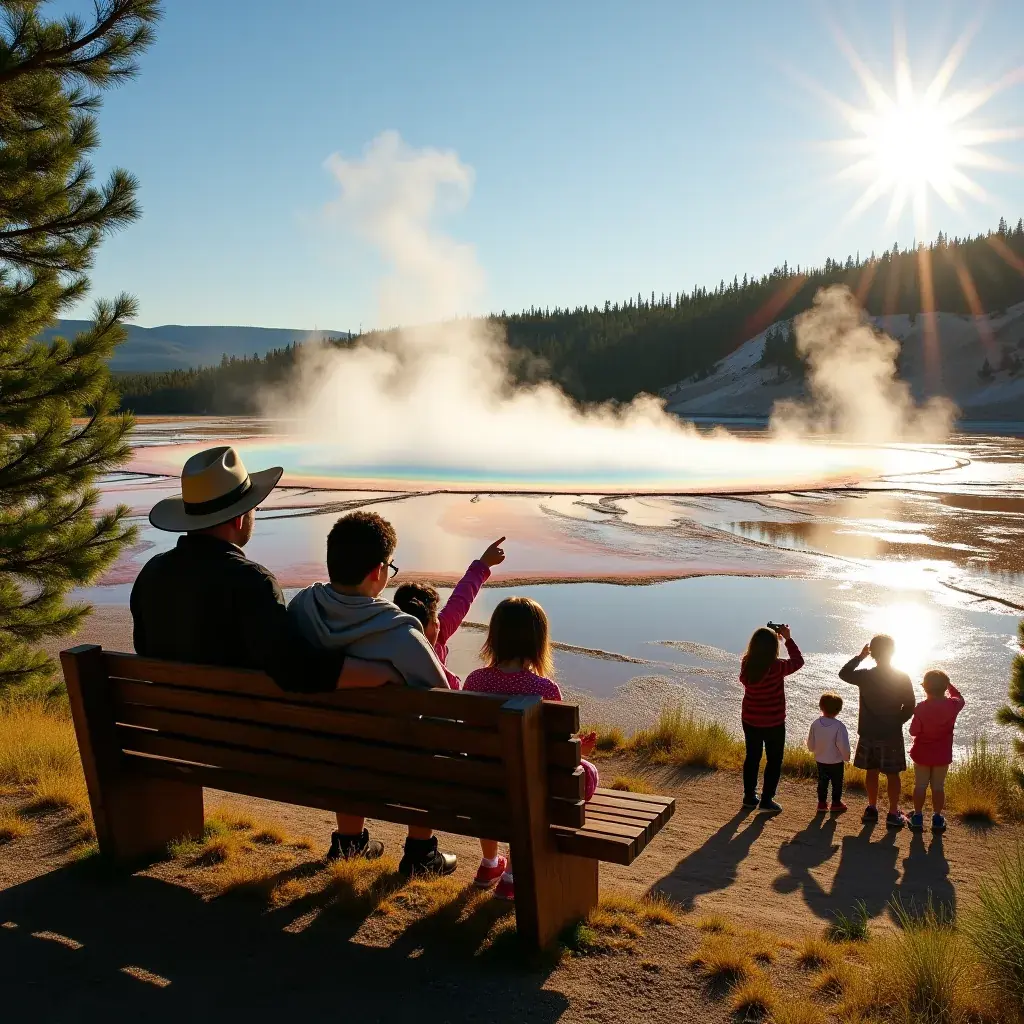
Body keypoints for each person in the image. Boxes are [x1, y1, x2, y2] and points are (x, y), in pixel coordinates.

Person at [131, 445, 400, 697]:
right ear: (239, 518)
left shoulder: (152, 574)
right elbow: (297, 670)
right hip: (237, 739)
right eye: (254, 508)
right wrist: (385, 671)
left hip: (173, 734)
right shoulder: (251, 582)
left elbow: (144, 651)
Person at [288, 510, 458, 876]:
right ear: (378, 572)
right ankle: (420, 852)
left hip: (315, 755)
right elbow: (445, 711)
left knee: (347, 740)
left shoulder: (301, 609)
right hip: (392, 767)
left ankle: (349, 842)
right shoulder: (400, 635)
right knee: (428, 741)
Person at [463, 596, 599, 901]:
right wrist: (579, 753)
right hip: (527, 787)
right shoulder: (545, 690)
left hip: (482, 783)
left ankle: (489, 863)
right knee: (585, 774)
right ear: (539, 642)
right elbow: (554, 750)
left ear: (494, 637)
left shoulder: (475, 680)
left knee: (499, 784)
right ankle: (511, 874)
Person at [393, 537, 507, 688]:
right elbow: (461, 600)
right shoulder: (438, 638)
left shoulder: (389, 652)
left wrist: (484, 564)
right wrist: (483, 564)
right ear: (433, 623)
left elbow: (460, 601)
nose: (438, 622)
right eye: (436, 617)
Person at [838, 635, 917, 828]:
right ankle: (892, 812)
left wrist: (860, 656)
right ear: (893, 652)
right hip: (890, 733)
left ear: (872, 653)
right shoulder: (901, 677)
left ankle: (872, 808)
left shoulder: (865, 676)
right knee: (892, 774)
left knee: (871, 771)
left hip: (868, 732)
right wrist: (897, 720)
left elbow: (844, 673)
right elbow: (910, 705)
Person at [739, 623, 804, 814]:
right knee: (774, 760)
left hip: (750, 720)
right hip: (774, 722)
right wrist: (788, 639)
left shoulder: (746, 663)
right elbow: (798, 661)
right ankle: (767, 800)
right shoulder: (777, 667)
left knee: (752, 757)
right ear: (773, 647)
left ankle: (749, 797)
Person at [908, 670, 965, 833]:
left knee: (920, 786)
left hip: (922, 754)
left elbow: (913, 731)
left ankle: (917, 817)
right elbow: (960, 698)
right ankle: (937, 818)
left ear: (925, 688)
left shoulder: (920, 708)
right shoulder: (953, 706)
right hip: (942, 754)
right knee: (938, 787)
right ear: (944, 687)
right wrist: (949, 685)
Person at [806, 692, 851, 814]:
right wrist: (846, 757)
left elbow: (810, 742)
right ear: (838, 710)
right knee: (837, 783)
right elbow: (843, 745)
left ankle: (822, 803)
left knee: (822, 782)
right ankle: (836, 802)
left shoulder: (815, 724)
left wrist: (812, 749)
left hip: (820, 759)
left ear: (821, 707)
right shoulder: (839, 726)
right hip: (836, 761)